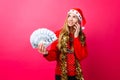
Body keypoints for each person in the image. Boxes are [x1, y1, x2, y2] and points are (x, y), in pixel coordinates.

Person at [37, 8, 88, 80]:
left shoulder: (81, 37)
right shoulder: (58, 34)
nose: (70, 19)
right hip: (61, 75)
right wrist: (46, 53)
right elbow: (54, 55)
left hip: (76, 75)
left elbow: (81, 56)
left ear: (79, 21)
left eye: (74, 17)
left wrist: (76, 37)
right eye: (69, 16)